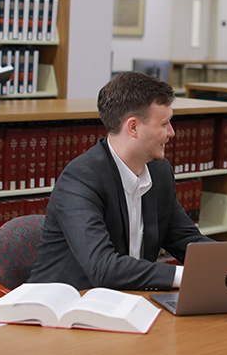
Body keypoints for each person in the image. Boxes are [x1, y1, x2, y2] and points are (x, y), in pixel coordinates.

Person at [29, 71, 214, 290]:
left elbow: (186, 240)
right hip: (63, 308)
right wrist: (186, 276)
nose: (172, 133)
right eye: (165, 124)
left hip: (127, 302)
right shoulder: (79, 180)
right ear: (133, 127)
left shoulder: (159, 172)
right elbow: (103, 268)